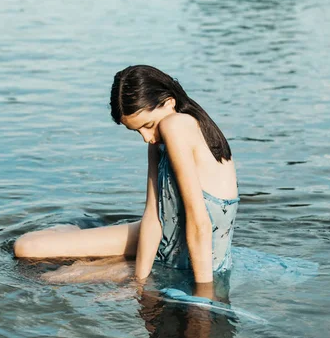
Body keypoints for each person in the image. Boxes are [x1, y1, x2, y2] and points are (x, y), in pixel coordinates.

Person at [14, 65, 239, 290]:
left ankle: (93, 237)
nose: (146, 138)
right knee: (26, 248)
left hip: (180, 243)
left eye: (147, 125)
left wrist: (204, 292)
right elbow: (153, 215)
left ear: (169, 102)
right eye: (137, 131)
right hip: (164, 239)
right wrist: (138, 282)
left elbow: (199, 221)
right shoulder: (160, 138)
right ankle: (80, 229)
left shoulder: (175, 124)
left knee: (39, 260)